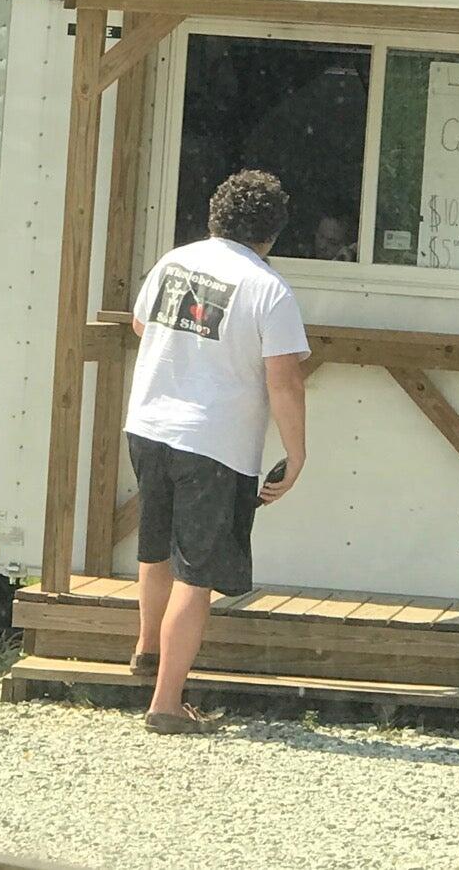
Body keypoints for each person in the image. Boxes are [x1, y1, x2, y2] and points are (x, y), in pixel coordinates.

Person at [124, 168, 310, 734]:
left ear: (214, 216)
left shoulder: (173, 262)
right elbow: (285, 381)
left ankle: (147, 649)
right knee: (196, 572)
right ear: (272, 233)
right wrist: (296, 454)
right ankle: (166, 703)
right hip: (213, 442)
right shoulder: (269, 289)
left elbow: (140, 325)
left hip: (148, 424)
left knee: (155, 548)